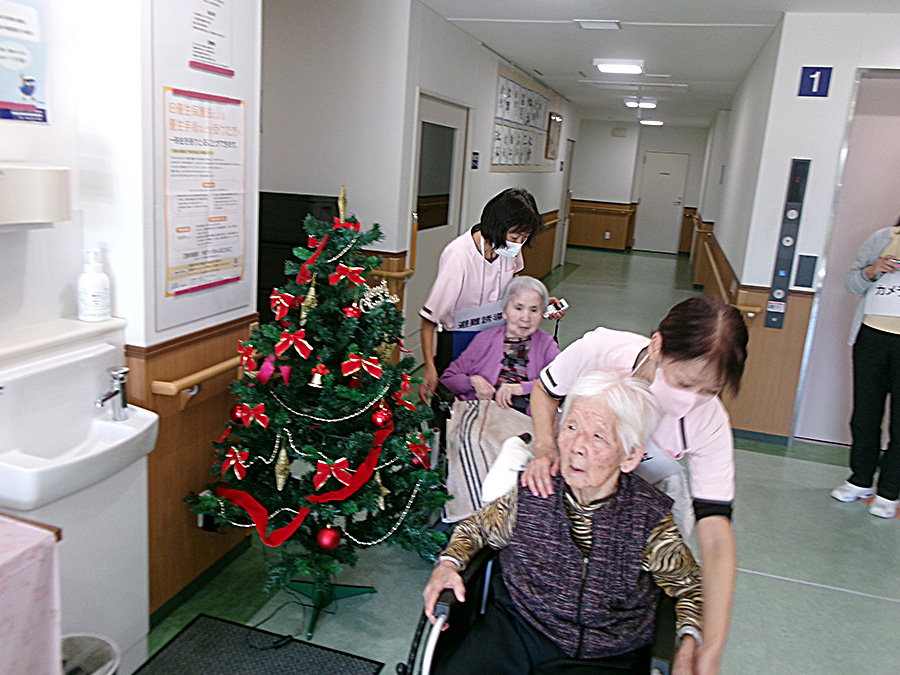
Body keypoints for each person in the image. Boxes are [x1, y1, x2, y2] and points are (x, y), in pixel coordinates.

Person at [423, 371, 703, 675]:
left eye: (598, 436)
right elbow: (476, 528)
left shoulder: (647, 518)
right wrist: (447, 565)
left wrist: (688, 645)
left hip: (606, 654)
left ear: (630, 456)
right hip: (518, 629)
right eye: (571, 426)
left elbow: (690, 587)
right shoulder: (535, 489)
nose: (576, 446)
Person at [522, 297, 748, 675]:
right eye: (683, 383)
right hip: (574, 472)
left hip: (639, 495)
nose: (690, 402)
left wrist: (711, 646)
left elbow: (715, 534)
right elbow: (545, 392)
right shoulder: (602, 350)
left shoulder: (710, 422)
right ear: (657, 345)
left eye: (709, 391)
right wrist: (546, 447)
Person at [418, 188, 545, 403]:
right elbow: (429, 320)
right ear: (496, 227)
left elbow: (514, 286)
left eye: (524, 238)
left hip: (494, 336)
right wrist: (429, 367)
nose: (518, 243)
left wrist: (538, 303)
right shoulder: (459, 255)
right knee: (456, 402)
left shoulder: (509, 248)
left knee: (489, 400)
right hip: (458, 339)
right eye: (515, 237)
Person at [831, 218, 900, 518]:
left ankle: (889, 491)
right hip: (871, 337)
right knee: (865, 414)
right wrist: (873, 270)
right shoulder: (883, 238)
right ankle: (860, 479)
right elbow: (851, 283)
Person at [439, 276, 560, 412]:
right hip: (484, 414)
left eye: (534, 310)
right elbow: (447, 379)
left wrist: (523, 388)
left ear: (541, 315)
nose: (526, 318)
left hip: (529, 418)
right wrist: (473, 381)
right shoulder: (485, 339)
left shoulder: (546, 344)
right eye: (518, 308)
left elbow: (563, 381)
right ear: (505, 311)